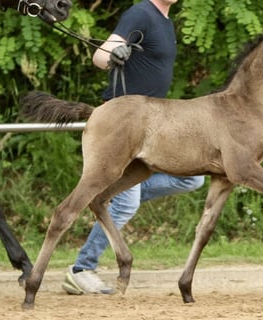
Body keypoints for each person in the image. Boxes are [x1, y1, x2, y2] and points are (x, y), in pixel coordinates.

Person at [62, 0, 205, 295]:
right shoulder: (141, 12)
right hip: (124, 126)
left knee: (193, 177)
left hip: (155, 129)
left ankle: (104, 198)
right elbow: (99, 56)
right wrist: (113, 53)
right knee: (127, 203)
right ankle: (82, 268)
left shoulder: (165, 20)